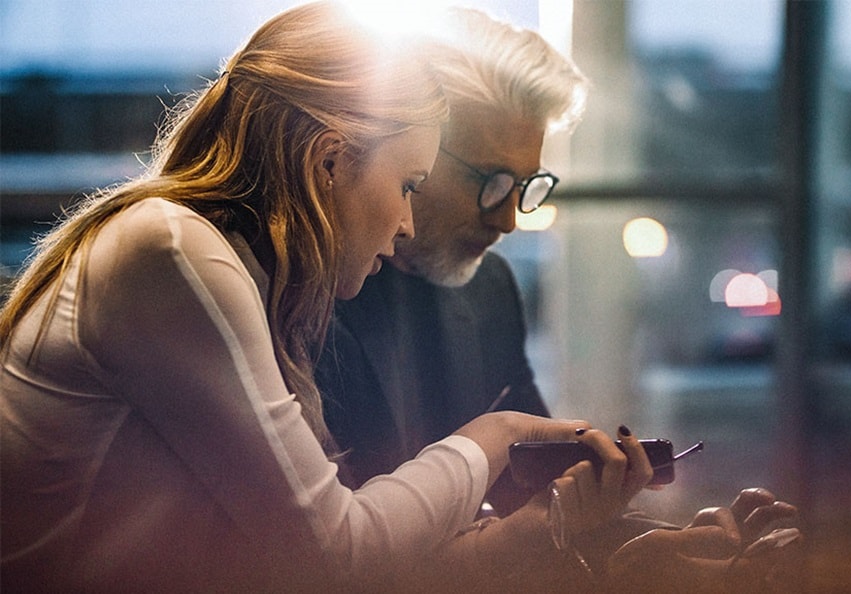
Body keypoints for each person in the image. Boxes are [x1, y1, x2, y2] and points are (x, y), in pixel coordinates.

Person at [0, 3, 656, 592]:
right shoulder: (178, 255)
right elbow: (338, 561)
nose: (406, 222)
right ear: (330, 161)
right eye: (408, 183)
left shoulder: (238, 270)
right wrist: (493, 439)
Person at [315, 6, 801, 592]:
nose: (509, 219)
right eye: (490, 181)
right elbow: (344, 563)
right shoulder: (308, 294)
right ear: (414, 151)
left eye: (524, 187)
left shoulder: (490, 289)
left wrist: (660, 547)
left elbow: (540, 504)